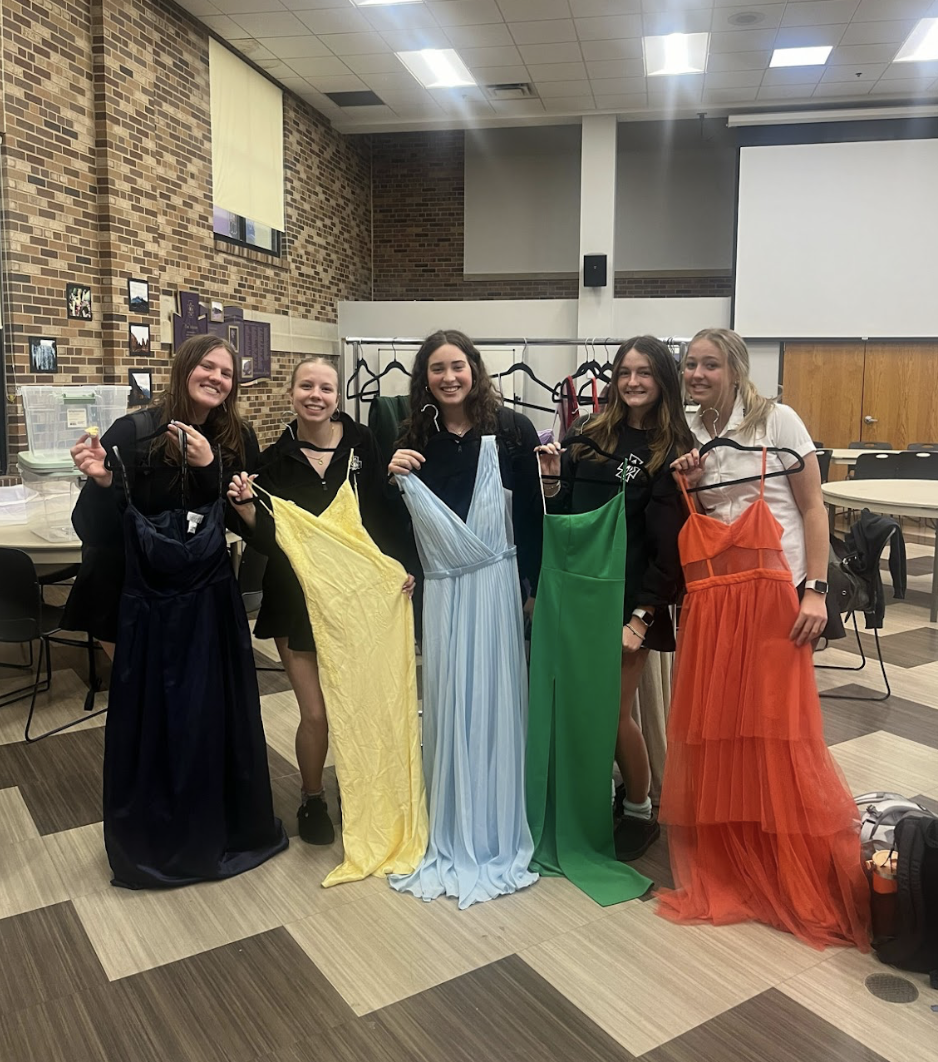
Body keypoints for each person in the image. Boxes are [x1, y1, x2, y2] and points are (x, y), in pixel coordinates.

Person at [659, 328, 869, 948]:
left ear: (735, 368)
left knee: (777, 729)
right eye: (690, 365)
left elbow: (812, 510)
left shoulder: (779, 422)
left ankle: (786, 863)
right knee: (720, 730)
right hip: (713, 601)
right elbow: (703, 513)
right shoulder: (690, 435)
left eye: (709, 365)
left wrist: (816, 590)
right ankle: (732, 858)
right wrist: (687, 478)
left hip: (775, 593)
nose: (696, 374)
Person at [67, 334, 286, 888]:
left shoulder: (238, 439)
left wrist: (215, 471)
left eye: (227, 373)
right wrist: (98, 484)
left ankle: (218, 828)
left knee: (212, 715)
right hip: (142, 604)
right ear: (184, 368)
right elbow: (93, 532)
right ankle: (155, 839)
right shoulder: (133, 433)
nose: (217, 378)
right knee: (153, 719)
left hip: (209, 601)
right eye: (207, 367)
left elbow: (253, 532)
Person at [227, 356, 416, 847]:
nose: (316, 395)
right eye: (306, 386)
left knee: (362, 702)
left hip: (358, 600)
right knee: (316, 714)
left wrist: (398, 566)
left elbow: (379, 513)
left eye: (326, 388)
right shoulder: (272, 461)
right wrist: (247, 513)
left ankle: (358, 785)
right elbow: (272, 542)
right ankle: (312, 796)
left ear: (338, 396)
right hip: (297, 601)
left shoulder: (363, 444)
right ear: (292, 394)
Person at [386, 329, 540, 907]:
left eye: (457, 366)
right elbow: (399, 522)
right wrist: (391, 474)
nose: (448, 377)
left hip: (498, 583)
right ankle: (451, 815)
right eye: (436, 369)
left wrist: (534, 586)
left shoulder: (513, 432)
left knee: (497, 697)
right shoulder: (414, 436)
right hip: (442, 588)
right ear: (423, 378)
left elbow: (529, 514)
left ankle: (495, 817)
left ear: (474, 370)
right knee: (448, 697)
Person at [532, 336, 693, 887]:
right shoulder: (588, 434)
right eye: (624, 372)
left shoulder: (673, 449)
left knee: (612, 713)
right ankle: (589, 799)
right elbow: (565, 515)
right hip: (579, 596)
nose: (631, 382)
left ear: (662, 379)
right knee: (578, 708)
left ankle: (641, 808)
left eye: (644, 373)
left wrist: (643, 618)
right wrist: (551, 478)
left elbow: (670, 547)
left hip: (630, 602)